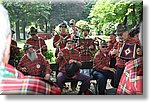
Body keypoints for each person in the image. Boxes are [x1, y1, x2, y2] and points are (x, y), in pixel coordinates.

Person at [0, 5, 61, 95]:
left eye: (35, 34)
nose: (34, 35)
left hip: (39, 74)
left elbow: (47, 64)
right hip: (30, 76)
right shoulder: (25, 56)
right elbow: (20, 66)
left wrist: (47, 73)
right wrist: (22, 68)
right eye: (32, 34)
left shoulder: (40, 50)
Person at [111, 23, 141, 88]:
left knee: (130, 86)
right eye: (118, 34)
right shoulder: (117, 43)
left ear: (127, 32)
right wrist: (112, 52)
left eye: (122, 33)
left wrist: (140, 52)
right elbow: (111, 53)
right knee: (117, 85)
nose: (120, 36)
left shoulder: (135, 42)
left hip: (132, 67)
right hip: (120, 66)